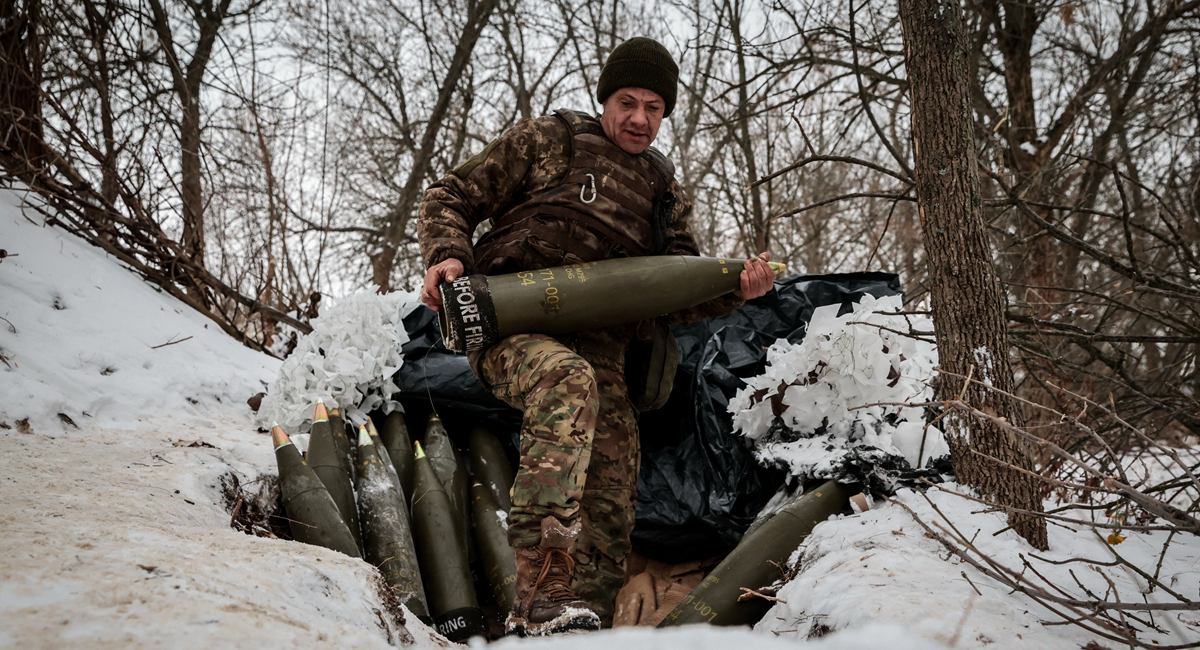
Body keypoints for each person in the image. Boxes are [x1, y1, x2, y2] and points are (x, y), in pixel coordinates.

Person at [417, 36, 775, 636]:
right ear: (605, 98)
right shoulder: (547, 142)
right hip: (510, 327)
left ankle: (586, 630)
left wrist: (739, 287)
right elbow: (449, 195)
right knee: (565, 379)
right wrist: (448, 258)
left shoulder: (663, 191)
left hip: (607, 358)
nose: (639, 119)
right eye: (628, 102)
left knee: (611, 496)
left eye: (654, 108)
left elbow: (677, 293)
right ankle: (538, 595)